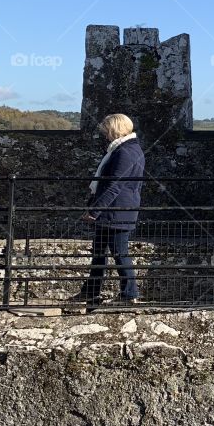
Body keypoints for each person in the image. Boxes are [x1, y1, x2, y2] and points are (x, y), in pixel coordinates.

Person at [71, 113, 145, 306]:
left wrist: (94, 211)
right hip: (114, 211)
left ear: (115, 129)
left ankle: (129, 294)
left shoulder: (125, 152)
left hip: (116, 211)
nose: (105, 135)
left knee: (119, 253)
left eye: (106, 131)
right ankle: (91, 291)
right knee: (99, 253)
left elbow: (115, 185)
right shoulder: (125, 149)